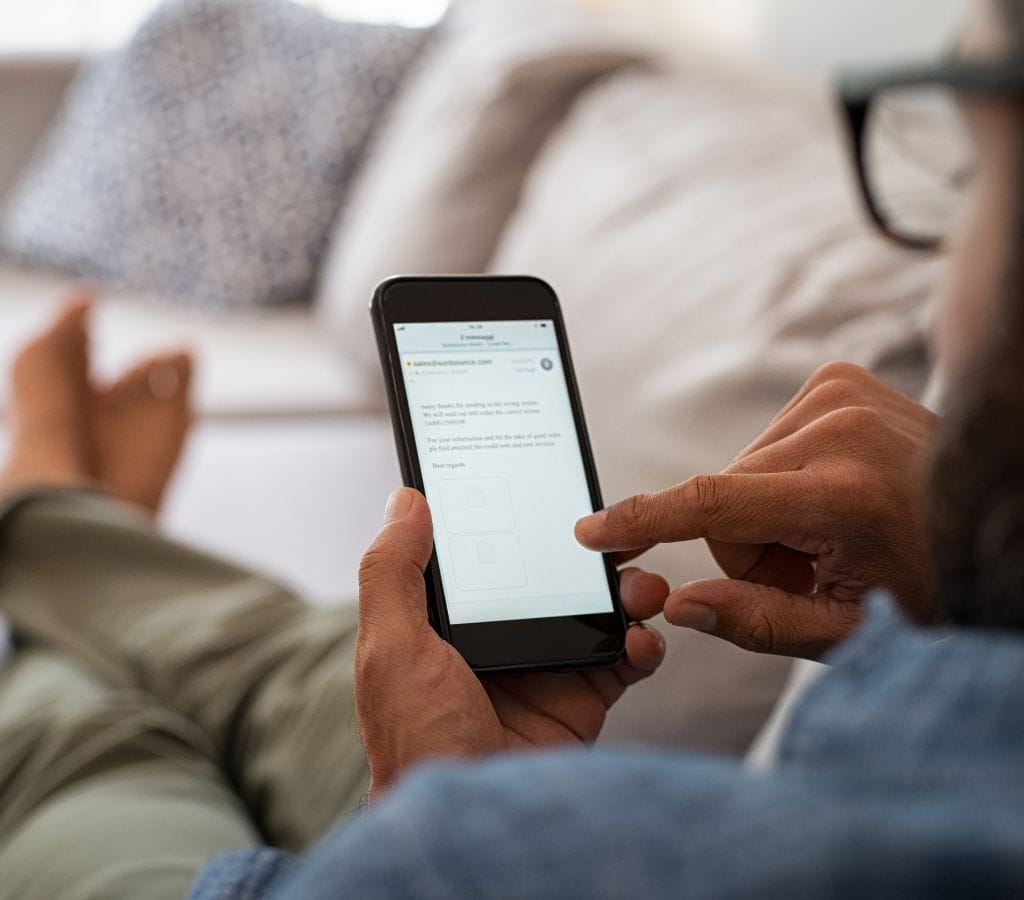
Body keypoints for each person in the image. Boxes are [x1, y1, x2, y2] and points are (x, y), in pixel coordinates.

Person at [1, 0, 1022, 897]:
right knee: (313, 655)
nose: (941, 291)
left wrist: (434, 806)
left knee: (87, 740)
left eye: (970, 172)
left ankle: (43, 513)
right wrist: (968, 593)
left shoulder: (475, 857)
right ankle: (78, 536)